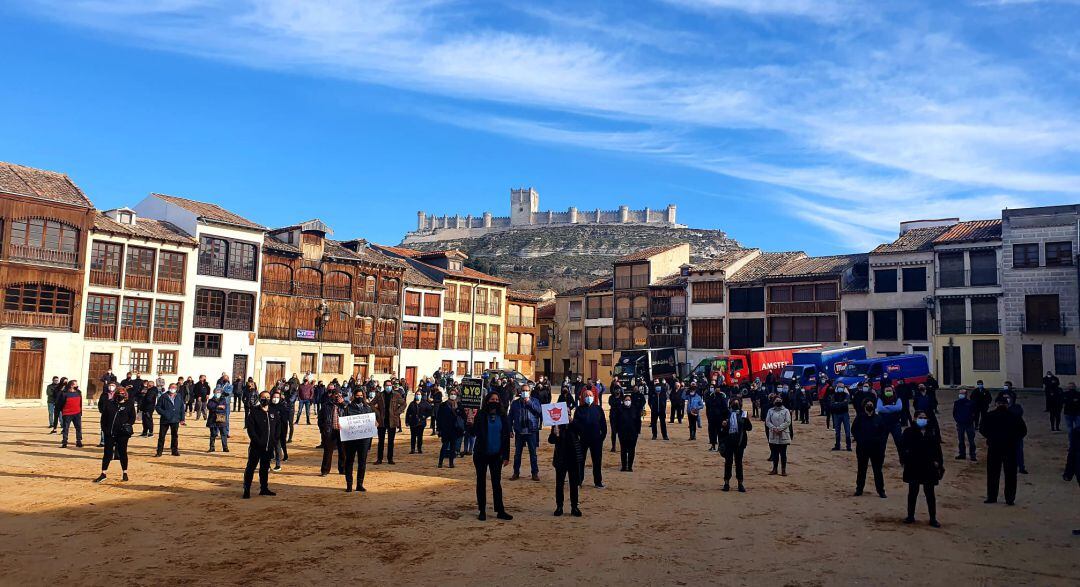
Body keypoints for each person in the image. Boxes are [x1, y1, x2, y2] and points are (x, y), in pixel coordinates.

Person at [980, 393, 1027, 505]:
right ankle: (1010, 498)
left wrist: (991, 437)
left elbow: (982, 429)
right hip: (1010, 448)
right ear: (1007, 404)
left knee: (993, 473)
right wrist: (1014, 439)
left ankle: (992, 497)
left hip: (994, 447)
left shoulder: (989, 415)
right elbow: (1023, 431)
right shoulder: (1014, 416)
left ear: (996, 404)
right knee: (1010, 474)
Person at [471, 393, 512, 521]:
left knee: (496, 483)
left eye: (497, 399)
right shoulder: (481, 415)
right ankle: (482, 510)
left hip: (497, 455)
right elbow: (473, 432)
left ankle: (500, 510)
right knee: (481, 482)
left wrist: (506, 456)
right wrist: (470, 422)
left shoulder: (503, 416)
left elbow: (506, 437)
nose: (495, 401)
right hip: (481, 454)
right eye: (492, 399)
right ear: (487, 401)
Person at [901, 410, 943, 527]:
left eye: (924, 417)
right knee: (912, 492)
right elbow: (903, 447)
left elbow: (937, 449)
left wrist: (938, 463)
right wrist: (905, 460)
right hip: (913, 465)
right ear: (914, 419)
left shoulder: (931, 432)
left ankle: (933, 518)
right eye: (920, 417)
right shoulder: (908, 432)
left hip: (928, 466)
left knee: (930, 493)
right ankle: (910, 516)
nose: (923, 419)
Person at [242, 391, 280, 499]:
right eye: (264, 397)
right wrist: (257, 441)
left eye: (268, 397)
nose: (266, 399)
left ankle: (264, 488)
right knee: (251, 468)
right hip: (256, 447)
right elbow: (251, 430)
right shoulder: (254, 412)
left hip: (268, 447)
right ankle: (246, 489)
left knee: (264, 468)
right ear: (259, 398)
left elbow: (278, 428)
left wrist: (274, 440)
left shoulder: (273, 412)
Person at [94, 387, 135, 483]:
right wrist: (105, 430)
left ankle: (125, 472)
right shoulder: (109, 404)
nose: (120, 395)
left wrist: (126, 425)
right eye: (119, 393)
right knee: (107, 453)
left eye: (122, 393)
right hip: (110, 433)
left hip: (123, 434)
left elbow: (132, 418)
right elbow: (103, 418)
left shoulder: (129, 404)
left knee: (122, 452)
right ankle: (103, 473)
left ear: (125, 395)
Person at [852, 399, 888, 498]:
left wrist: (879, 442)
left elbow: (883, 432)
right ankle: (859, 489)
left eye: (871, 404)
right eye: (868, 404)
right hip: (862, 448)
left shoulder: (878, 418)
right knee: (861, 469)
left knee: (877, 470)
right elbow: (854, 430)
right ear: (864, 406)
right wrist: (859, 439)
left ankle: (881, 490)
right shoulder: (859, 418)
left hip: (876, 449)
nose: (869, 406)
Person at [549, 418, 583, 516]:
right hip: (561, 458)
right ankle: (559, 507)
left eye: (568, 412)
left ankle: (574, 507)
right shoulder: (557, 424)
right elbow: (551, 440)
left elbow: (582, 431)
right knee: (559, 484)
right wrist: (555, 433)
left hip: (573, 458)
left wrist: (572, 422)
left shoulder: (574, 423)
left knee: (574, 484)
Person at [342, 388, 374, 492]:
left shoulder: (367, 408)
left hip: (364, 440)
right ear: (354, 396)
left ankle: (359, 484)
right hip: (351, 440)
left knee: (362, 462)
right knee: (349, 462)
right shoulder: (348, 408)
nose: (359, 397)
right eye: (357, 396)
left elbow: (371, 423)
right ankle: (349, 484)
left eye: (361, 396)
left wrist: (374, 423)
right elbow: (344, 422)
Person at [573, 390, 607, 488]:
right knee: (580, 461)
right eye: (586, 395)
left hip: (596, 440)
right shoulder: (579, 409)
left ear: (593, 396)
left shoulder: (598, 409)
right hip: (582, 440)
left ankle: (598, 482)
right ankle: (579, 481)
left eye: (590, 395)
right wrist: (577, 437)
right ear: (583, 397)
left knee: (597, 461)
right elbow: (575, 424)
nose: (589, 397)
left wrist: (601, 437)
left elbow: (603, 424)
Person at [508, 385, 542, 481]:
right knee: (517, 454)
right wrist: (510, 430)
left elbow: (539, 411)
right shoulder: (515, 403)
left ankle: (535, 473)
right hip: (519, 432)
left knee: (533, 453)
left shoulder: (535, 401)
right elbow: (510, 417)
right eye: (523, 390)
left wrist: (529, 402)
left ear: (530, 391)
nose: (525, 392)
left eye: (527, 390)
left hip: (531, 431)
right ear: (520, 392)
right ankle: (516, 473)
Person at [719, 399, 752, 492]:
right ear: (730, 404)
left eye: (737, 403)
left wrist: (746, 420)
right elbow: (720, 429)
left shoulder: (743, 414)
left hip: (740, 442)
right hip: (728, 442)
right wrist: (723, 425)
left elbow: (749, 428)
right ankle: (726, 483)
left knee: (739, 463)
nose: (735, 404)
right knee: (728, 462)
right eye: (734, 403)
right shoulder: (726, 414)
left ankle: (740, 483)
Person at [371, 381, 405, 465]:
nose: (388, 387)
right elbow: (371, 404)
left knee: (391, 441)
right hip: (382, 420)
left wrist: (397, 412)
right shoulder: (379, 395)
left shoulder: (396, 395)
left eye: (390, 385)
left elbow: (403, 404)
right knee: (381, 441)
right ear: (384, 386)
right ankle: (379, 459)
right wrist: (377, 412)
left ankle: (390, 459)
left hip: (392, 421)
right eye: (387, 385)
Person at [615, 391, 643, 472]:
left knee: (631, 450)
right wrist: (617, 430)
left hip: (633, 433)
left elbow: (638, 421)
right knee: (623, 450)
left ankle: (630, 466)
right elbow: (616, 420)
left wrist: (638, 431)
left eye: (629, 400)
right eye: (626, 400)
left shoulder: (635, 409)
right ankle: (624, 466)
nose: (627, 401)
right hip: (622, 433)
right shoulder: (619, 409)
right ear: (623, 401)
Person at [319, 391, 346, 476]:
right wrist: (322, 429)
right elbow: (320, 418)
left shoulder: (344, 405)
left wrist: (343, 404)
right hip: (329, 431)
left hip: (342, 431)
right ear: (332, 396)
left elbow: (350, 413)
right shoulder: (326, 405)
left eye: (339, 396)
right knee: (328, 451)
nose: (337, 397)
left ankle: (343, 469)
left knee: (343, 451)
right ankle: (325, 470)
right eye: (336, 395)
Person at [154, 384, 185, 457]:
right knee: (162, 436)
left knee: (174, 436)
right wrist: (165, 413)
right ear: (168, 388)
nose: (173, 389)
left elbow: (182, 408)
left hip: (175, 419)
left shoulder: (179, 396)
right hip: (165, 420)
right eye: (171, 387)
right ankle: (159, 452)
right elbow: (158, 407)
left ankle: (174, 451)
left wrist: (182, 419)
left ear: (176, 389)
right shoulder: (163, 396)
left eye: (174, 387)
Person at [876, 387, 904, 464]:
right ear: (884, 392)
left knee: (899, 443)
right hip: (883, 425)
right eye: (887, 390)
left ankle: (903, 461)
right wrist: (892, 408)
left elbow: (899, 408)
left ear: (893, 391)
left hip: (895, 424)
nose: (888, 391)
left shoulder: (897, 398)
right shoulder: (880, 399)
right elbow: (879, 408)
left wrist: (886, 408)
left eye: (890, 390)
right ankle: (880, 462)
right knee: (881, 444)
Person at [765, 396, 792, 476]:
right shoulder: (770, 411)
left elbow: (788, 421)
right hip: (773, 433)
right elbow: (767, 421)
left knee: (783, 453)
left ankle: (783, 470)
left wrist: (779, 428)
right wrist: (774, 428)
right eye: (776, 400)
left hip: (783, 434)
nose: (778, 401)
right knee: (775, 453)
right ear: (773, 402)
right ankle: (775, 469)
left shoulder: (786, 411)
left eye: (779, 400)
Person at [437, 391, 463, 468]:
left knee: (453, 447)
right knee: (444, 446)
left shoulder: (459, 405)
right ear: (448, 395)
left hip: (455, 429)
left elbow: (462, 416)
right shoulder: (443, 405)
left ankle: (451, 463)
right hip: (445, 429)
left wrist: (457, 410)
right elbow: (439, 417)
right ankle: (440, 462)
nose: (453, 395)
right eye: (451, 394)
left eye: (454, 394)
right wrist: (438, 428)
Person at [952, 387, 977, 462]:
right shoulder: (956, 403)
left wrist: (971, 420)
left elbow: (975, 413)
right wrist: (958, 420)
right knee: (961, 440)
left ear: (966, 395)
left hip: (969, 424)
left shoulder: (971, 403)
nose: (960, 395)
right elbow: (954, 413)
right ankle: (962, 454)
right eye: (960, 393)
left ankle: (972, 455)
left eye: (962, 393)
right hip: (960, 424)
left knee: (971, 441)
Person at [58, 380, 84, 448]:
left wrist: (80, 412)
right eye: (75, 384)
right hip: (67, 414)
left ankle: (79, 441)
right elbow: (60, 404)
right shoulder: (64, 393)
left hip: (77, 413)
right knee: (66, 428)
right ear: (71, 385)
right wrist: (63, 411)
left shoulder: (78, 392)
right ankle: (64, 442)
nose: (77, 385)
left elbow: (80, 403)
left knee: (78, 428)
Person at [270, 391, 289, 471]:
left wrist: (283, 430)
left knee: (280, 444)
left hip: (280, 429)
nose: (275, 399)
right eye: (274, 397)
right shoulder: (268, 406)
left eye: (277, 397)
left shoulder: (282, 407)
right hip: (270, 429)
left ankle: (281, 460)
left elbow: (285, 420)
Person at [830, 384, 852, 451]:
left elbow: (846, 403)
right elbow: (832, 404)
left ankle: (848, 446)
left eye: (841, 387)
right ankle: (837, 445)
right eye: (839, 387)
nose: (840, 388)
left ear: (844, 388)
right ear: (837, 388)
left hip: (844, 414)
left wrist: (837, 404)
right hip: (836, 414)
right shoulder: (834, 395)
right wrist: (841, 403)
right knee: (837, 431)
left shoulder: (846, 395)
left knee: (847, 430)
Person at [207, 388, 229, 452]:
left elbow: (224, 408)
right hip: (213, 419)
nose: (218, 393)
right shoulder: (211, 400)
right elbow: (209, 407)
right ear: (214, 393)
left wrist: (216, 408)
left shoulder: (223, 400)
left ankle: (225, 447)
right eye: (216, 392)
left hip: (221, 418)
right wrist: (218, 407)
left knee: (223, 433)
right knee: (213, 434)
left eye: (219, 392)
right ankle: (212, 447)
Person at [1065, 382, 1080, 446]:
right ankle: (1072, 442)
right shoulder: (1078, 394)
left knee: (1071, 428)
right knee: (1072, 429)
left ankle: (1072, 442)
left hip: (1074, 413)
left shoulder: (1066, 394)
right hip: (1072, 413)